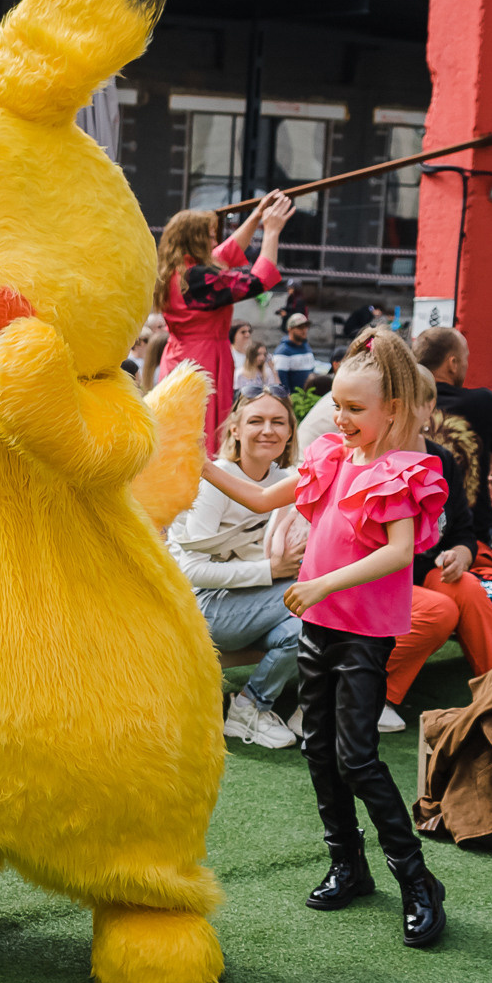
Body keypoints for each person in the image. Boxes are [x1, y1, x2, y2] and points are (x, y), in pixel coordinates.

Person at [199, 328, 449, 948]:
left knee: (357, 757)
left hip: (363, 633)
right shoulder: (335, 459)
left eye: (355, 408)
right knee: (320, 749)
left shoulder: (397, 471)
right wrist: (196, 459)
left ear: (393, 408)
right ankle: (348, 864)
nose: (340, 417)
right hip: (320, 628)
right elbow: (256, 494)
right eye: (337, 405)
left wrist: (320, 583)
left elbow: (397, 555)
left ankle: (416, 879)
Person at [167, 383, 304, 750]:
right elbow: (190, 571)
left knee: (303, 627)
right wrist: (270, 572)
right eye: (256, 421)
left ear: (290, 430)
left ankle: (250, 707)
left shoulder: (287, 480)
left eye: (278, 421)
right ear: (235, 430)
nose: (267, 430)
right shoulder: (214, 481)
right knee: (316, 600)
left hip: (257, 606)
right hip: (206, 608)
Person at [379, 372, 492, 725]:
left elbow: (463, 532)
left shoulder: (442, 459)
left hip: (424, 575)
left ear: (429, 408)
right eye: (395, 403)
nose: (402, 412)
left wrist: (462, 555)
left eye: (411, 403)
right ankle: (370, 691)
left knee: (466, 586)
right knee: (440, 610)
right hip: (381, 580)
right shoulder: (376, 457)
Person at [155, 192, 295, 438]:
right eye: (209, 237)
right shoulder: (198, 277)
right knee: (202, 430)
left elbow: (225, 254)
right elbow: (259, 280)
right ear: (195, 241)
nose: (213, 241)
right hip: (203, 360)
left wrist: (256, 216)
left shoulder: (177, 271)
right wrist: (271, 231)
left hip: (180, 356)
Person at [414, 325, 492, 537]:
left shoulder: (403, 405)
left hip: (415, 534)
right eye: (465, 357)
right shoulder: (483, 402)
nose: (467, 364)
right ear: (453, 363)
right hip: (471, 537)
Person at [273, 311, 319, 390]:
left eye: (306, 327)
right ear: (290, 329)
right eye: (300, 327)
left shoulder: (307, 347)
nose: (304, 330)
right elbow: (281, 381)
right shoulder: (283, 352)